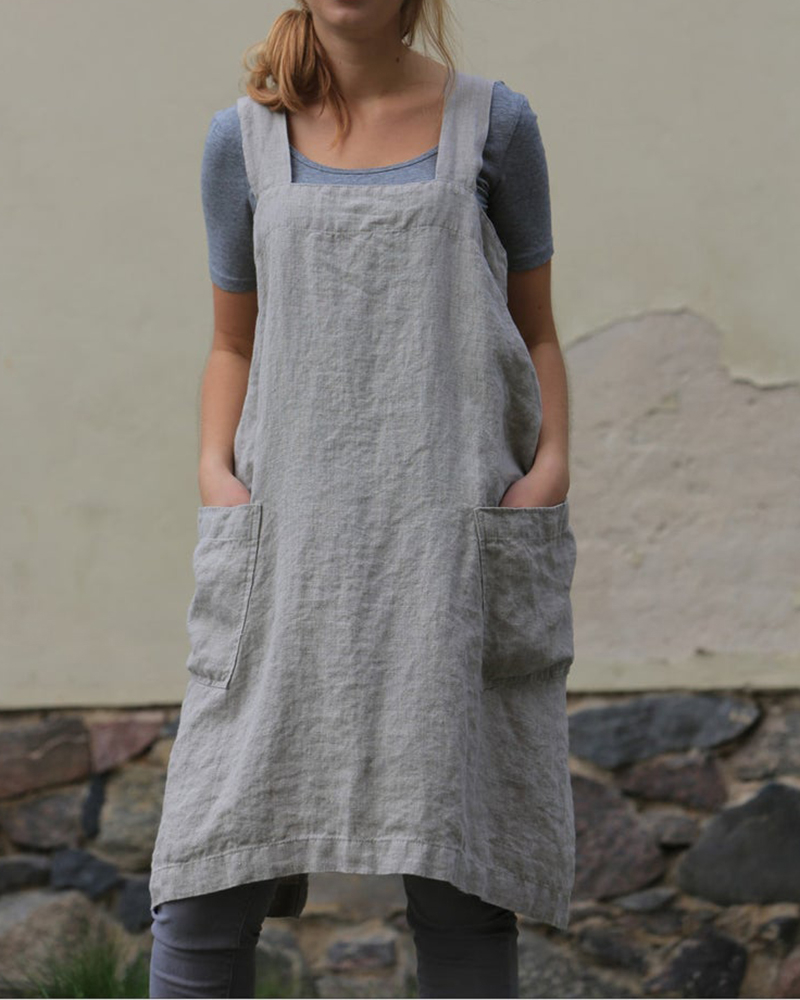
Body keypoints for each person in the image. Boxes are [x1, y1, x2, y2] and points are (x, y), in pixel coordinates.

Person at [148, 1, 578, 997]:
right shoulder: (241, 140)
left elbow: (537, 330)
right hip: (285, 551)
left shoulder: (495, 125)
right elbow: (232, 341)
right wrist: (215, 471)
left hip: (447, 549)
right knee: (208, 870)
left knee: (461, 875)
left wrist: (550, 465)